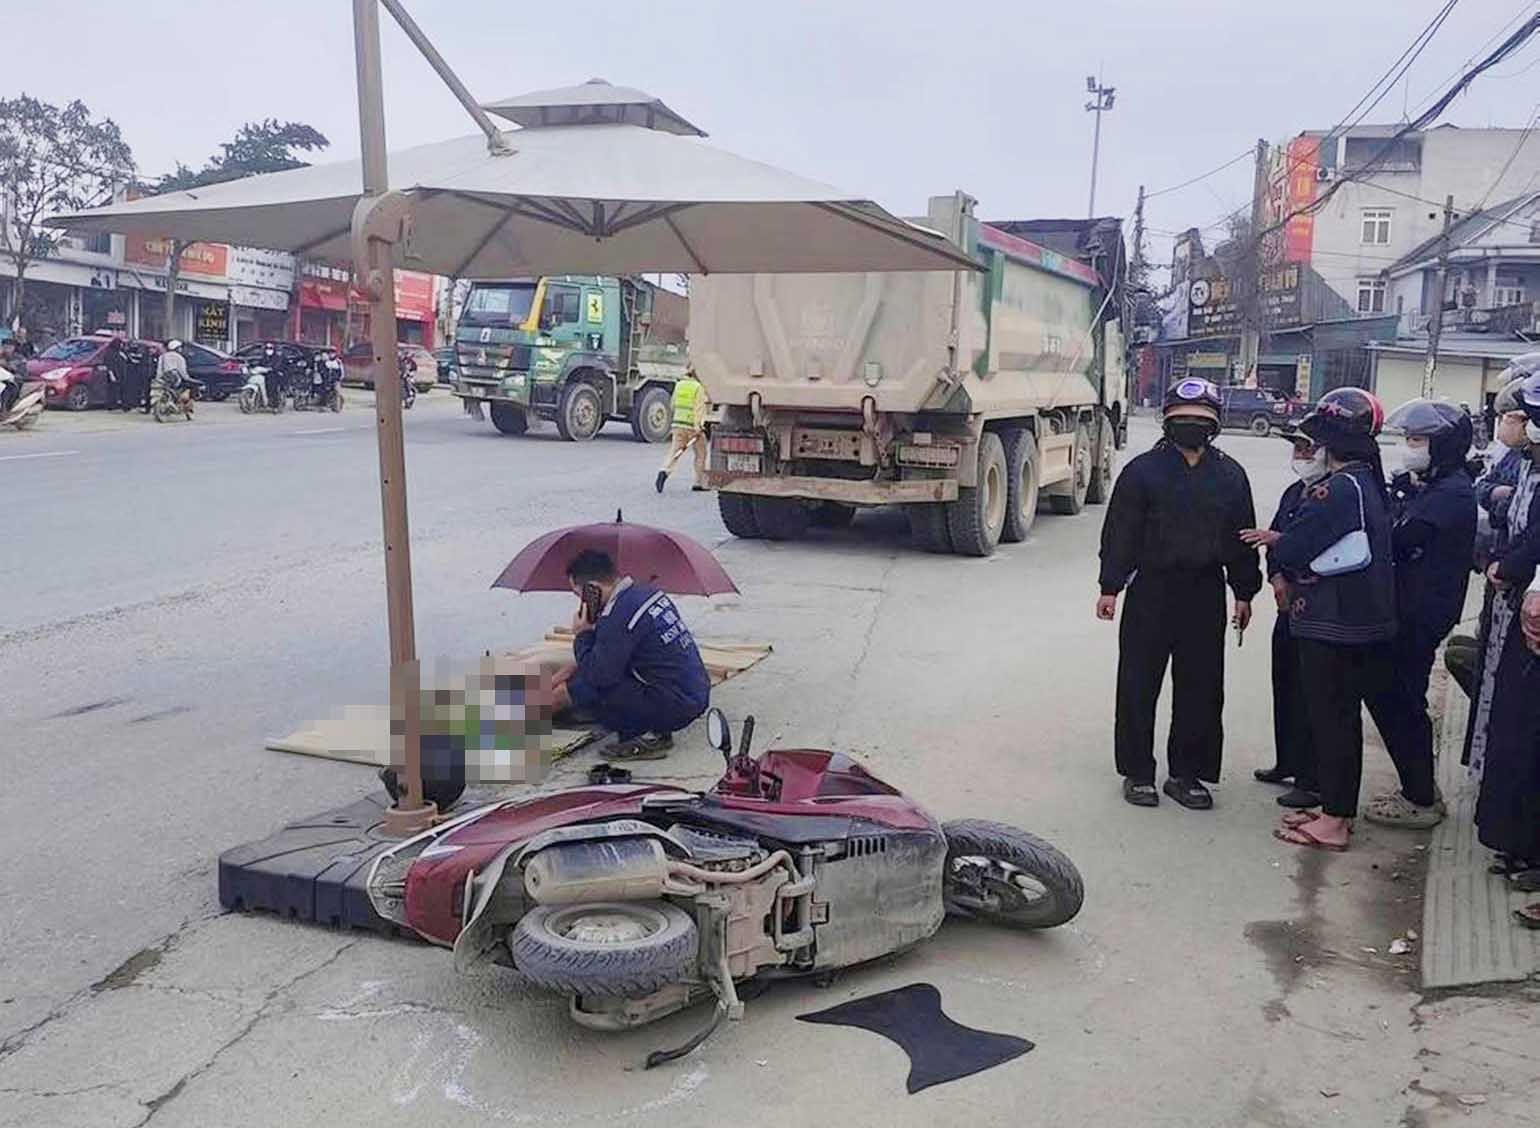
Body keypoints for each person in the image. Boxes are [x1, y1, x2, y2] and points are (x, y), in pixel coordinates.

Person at [1097, 377, 1262, 810]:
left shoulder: (1230, 475)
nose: (1192, 424)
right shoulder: (1142, 472)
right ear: (1167, 422)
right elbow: (1120, 532)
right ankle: (1137, 772)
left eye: (1201, 418)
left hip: (1204, 593)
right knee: (1138, 683)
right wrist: (1110, 586)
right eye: (1183, 417)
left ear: (1215, 425)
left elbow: (1242, 538)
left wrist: (1244, 591)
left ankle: (1187, 774)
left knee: (1201, 687)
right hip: (1150, 590)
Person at [1258, 387, 1396, 853]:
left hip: (1332, 622)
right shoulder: (1365, 481)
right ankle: (1335, 810)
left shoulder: (1334, 489)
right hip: (1357, 620)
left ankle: (1335, 820)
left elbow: (1296, 546)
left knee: (1332, 720)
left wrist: (1277, 542)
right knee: (1340, 719)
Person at [1352, 400, 1476, 830]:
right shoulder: (1439, 485)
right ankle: (1419, 786)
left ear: (1443, 445)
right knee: (1396, 695)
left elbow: (1399, 539)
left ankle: (1419, 797)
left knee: (1398, 698)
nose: (1409, 447)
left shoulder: (1451, 493)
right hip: (1413, 607)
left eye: (1418, 440)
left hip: (1420, 613)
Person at [1467, 370, 1540, 888]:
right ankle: (1514, 841)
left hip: (1526, 604)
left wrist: (1513, 566)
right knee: (1514, 728)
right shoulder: (1526, 467)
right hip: (1518, 609)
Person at [551, 550, 710, 761]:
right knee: (584, 674)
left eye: (579, 595)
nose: (581, 602)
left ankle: (642, 736)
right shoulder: (645, 594)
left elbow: (597, 676)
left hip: (674, 707)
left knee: (587, 685)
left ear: (592, 589)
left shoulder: (617, 617)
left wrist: (582, 635)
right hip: (691, 694)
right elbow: (607, 651)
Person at [1251, 427, 1326, 809]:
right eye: (1297, 448)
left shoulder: (1332, 495)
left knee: (1314, 694)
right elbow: (1273, 541)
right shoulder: (1294, 493)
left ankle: (1313, 779)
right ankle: (1289, 760)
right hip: (1288, 606)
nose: (1301, 456)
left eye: (1308, 449)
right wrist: (1277, 579)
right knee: (1285, 684)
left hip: (1318, 606)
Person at [656, 370, 709, 493]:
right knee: (701, 454)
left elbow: (672, 405)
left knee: (675, 451)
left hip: (678, 425)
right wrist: (698, 427)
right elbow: (699, 409)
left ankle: (664, 471)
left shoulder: (679, 385)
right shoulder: (698, 387)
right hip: (692, 427)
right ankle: (698, 482)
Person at [157, 339, 191, 415]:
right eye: (180, 347)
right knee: (180, 390)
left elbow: (159, 369)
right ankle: (176, 403)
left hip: (164, 377)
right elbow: (182, 371)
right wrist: (187, 378)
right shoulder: (180, 357)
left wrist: (158, 378)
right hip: (174, 377)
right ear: (177, 348)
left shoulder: (162, 356)